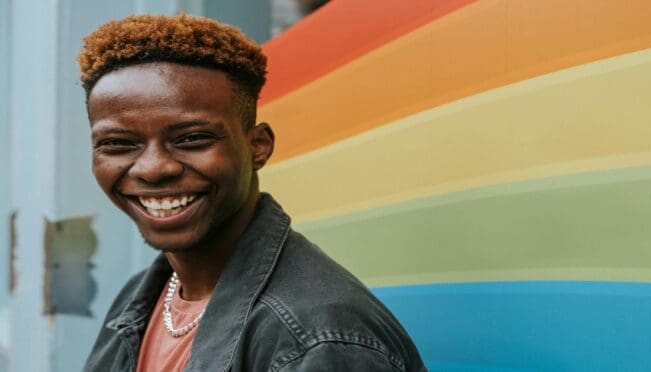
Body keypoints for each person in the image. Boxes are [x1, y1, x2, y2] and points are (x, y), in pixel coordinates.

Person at [79, 13, 426, 372]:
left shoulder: (318, 339)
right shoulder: (142, 296)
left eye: (192, 139)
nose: (153, 168)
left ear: (258, 146)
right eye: (119, 144)